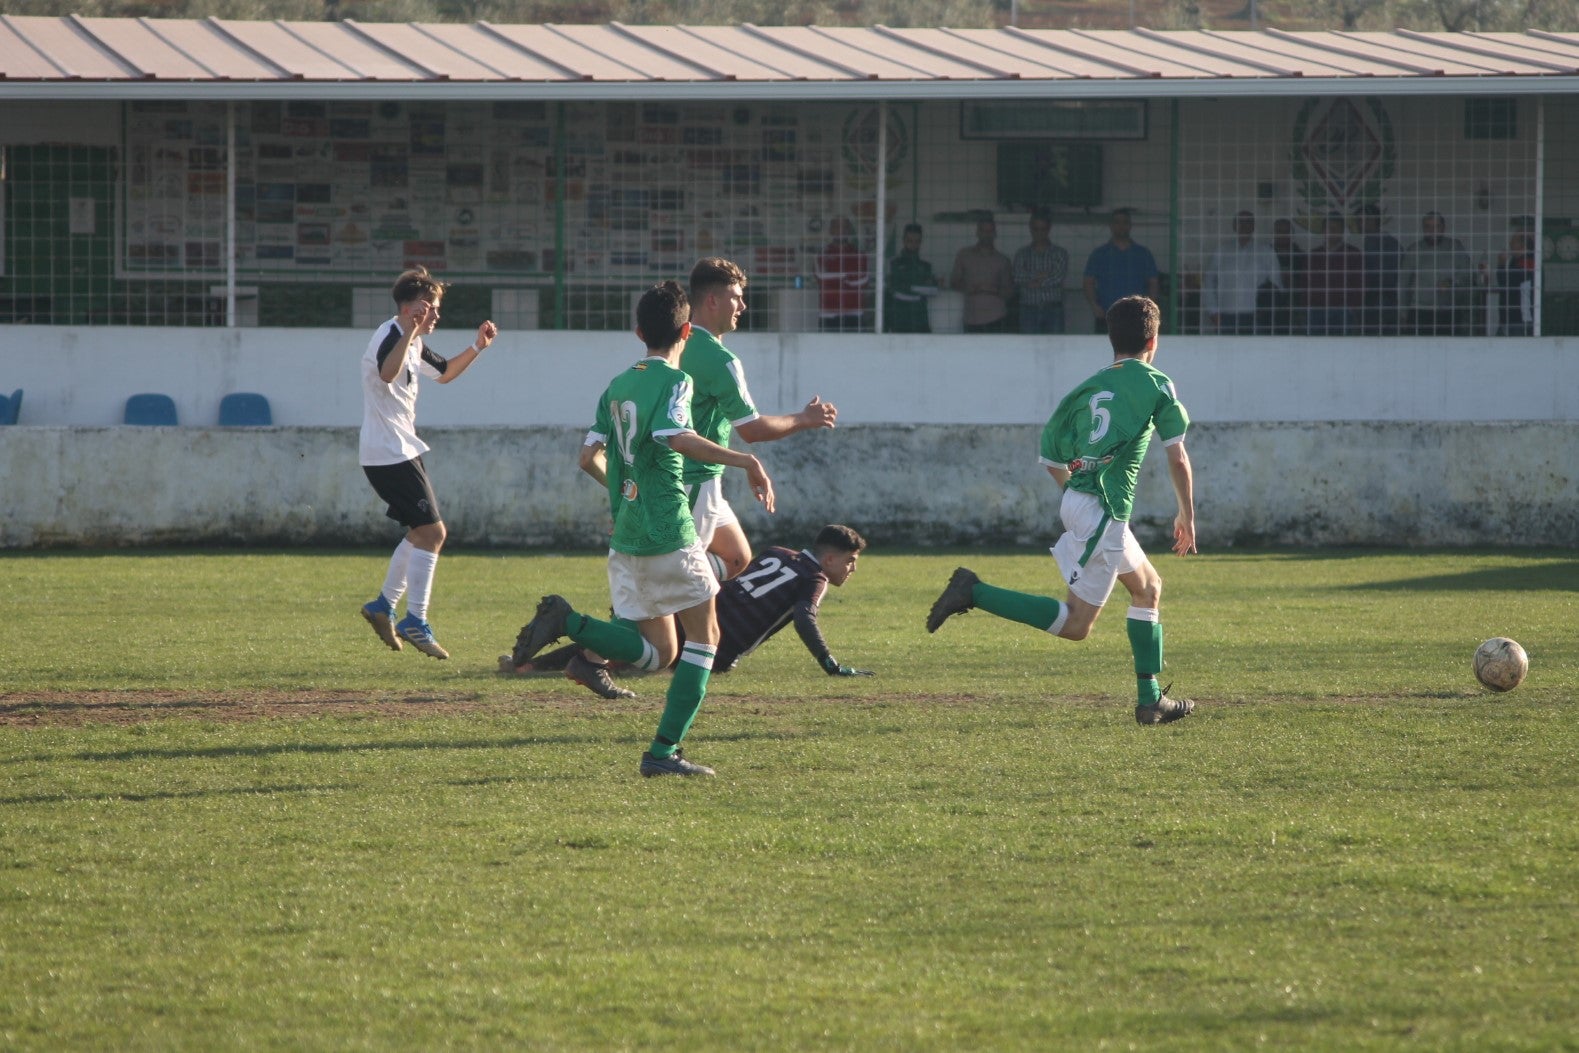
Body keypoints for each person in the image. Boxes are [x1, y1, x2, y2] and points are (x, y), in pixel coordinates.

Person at [510, 281, 776, 778]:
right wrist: (746, 460)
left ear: (638, 332)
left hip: (627, 534)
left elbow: (588, 457)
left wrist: (625, 489)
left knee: (658, 655)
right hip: (669, 529)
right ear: (687, 329)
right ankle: (663, 753)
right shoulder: (676, 382)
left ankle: (569, 623)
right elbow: (675, 436)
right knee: (705, 639)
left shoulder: (617, 385)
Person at [925, 294, 1196, 726]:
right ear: (1154, 339)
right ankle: (972, 591)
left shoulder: (1087, 389)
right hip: (1102, 513)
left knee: (1148, 588)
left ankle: (1151, 700)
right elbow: (1177, 456)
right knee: (1075, 625)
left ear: (1113, 340)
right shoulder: (1157, 383)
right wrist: (1187, 515)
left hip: (1080, 502)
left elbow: (1051, 457)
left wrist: (1080, 496)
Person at [506, 524, 874, 696]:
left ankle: (526, 663)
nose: (851, 569)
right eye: (850, 561)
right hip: (717, 644)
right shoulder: (816, 578)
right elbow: (804, 618)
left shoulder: (778, 552)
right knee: (642, 660)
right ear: (829, 558)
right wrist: (831, 665)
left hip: (699, 611)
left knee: (632, 644)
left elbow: (734, 580)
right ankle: (552, 645)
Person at [358, 265, 497, 660]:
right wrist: (409, 333)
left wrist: (478, 347)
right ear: (410, 307)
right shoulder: (392, 334)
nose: (436, 315)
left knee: (422, 534)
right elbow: (386, 373)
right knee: (433, 533)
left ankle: (384, 606)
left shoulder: (412, 340)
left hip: (398, 449)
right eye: (430, 307)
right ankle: (414, 619)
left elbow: (445, 373)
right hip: (388, 453)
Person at [681, 257, 838, 581]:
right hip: (694, 479)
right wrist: (804, 418)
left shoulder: (675, 342)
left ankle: (657, 593)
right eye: (736, 297)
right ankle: (646, 608)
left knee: (737, 558)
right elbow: (751, 429)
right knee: (681, 577)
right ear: (712, 300)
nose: (743, 304)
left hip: (683, 476)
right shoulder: (719, 359)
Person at [1202, 210, 1282, 335]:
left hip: (1257, 317)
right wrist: (1213, 311)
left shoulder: (1266, 251)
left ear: (1254, 226)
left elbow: (1276, 285)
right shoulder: (1222, 251)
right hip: (1226, 315)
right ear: (1234, 226)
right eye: (1240, 222)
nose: (1244, 226)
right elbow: (1209, 282)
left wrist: (1267, 314)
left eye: (1248, 222)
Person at [1082, 208, 1160, 334]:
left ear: (1130, 226)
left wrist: (1149, 309)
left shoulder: (1143, 254)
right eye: (1117, 222)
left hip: (1136, 317)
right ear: (1111, 226)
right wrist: (1094, 306)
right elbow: (1088, 282)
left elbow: (1154, 283)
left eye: (1125, 222)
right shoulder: (1099, 254)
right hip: (1107, 316)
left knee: (1135, 353)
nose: (1121, 226)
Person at [1401, 211, 1476, 336]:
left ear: (1443, 228)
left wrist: (1451, 283)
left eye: (1436, 226)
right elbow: (1403, 283)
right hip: (1420, 311)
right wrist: (1403, 313)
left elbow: (1468, 274)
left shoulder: (1455, 247)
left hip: (1448, 312)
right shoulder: (1414, 250)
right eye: (1428, 226)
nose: (1432, 230)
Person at [949, 212, 1014, 333]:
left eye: (990, 231)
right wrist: (971, 288)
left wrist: (992, 289)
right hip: (971, 318)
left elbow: (1009, 292)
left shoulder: (1003, 260)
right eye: (983, 230)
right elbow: (953, 282)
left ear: (995, 233)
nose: (987, 234)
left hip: (997, 318)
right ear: (977, 232)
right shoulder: (964, 255)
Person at [1301, 211, 1365, 336]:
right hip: (1316, 311)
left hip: (1343, 311)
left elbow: (1359, 283)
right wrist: (1306, 307)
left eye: (1336, 228)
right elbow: (1305, 283)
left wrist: (1352, 308)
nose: (1332, 231)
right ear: (1323, 231)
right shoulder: (1313, 255)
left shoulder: (1353, 254)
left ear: (1342, 231)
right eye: (1329, 228)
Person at [1012, 208, 1070, 334]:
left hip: (1053, 309)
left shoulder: (1060, 253)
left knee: (1055, 348)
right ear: (1030, 229)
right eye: (1036, 229)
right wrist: (1043, 275)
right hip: (1028, 309)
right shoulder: (1022, 254)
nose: (1039, 233)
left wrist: (1032, 279)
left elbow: (1058, 277)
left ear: (1049, 229)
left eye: (1043, 229)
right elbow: (1017, 277)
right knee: (1027, 348)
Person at [814, 217, 870, 332]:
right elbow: (821, 278)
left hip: (855, 313)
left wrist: (835, 276)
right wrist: (848, 277)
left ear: (849, 230)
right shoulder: (821, 255)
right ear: (830, 230)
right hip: (828, 314)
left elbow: (863, 281)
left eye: (845, 227)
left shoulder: (859, 254)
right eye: (837, 227)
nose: (841, 230)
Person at [1358, 204, 1402, 335]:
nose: (1360, 224)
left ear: (1373, 220)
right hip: (1372, 299)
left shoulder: (1387, 243)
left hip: (1384, 299)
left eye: (1363, 220)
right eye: (1358, 220)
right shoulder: (1369, 240)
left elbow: (1391, 275)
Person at [886, 223, 937, 334]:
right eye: (910, 240)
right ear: (903, 240)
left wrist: (908, 286)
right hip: (899, 319)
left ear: (921, 242)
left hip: (920, 320)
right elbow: (894, 288)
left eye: (917, 241)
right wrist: (920, 286)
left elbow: (933, 290)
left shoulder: (926, 266)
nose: (913, 245)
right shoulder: (894, 263)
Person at [1490, 230, 1535, 336]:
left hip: (1520, 318)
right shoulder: (1515, 261)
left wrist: (1501, 264)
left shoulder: (1528, 261)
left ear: (1522, 244)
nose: (1510, 243)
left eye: (1514, 241)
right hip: (1509, 316)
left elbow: (1506, 283)